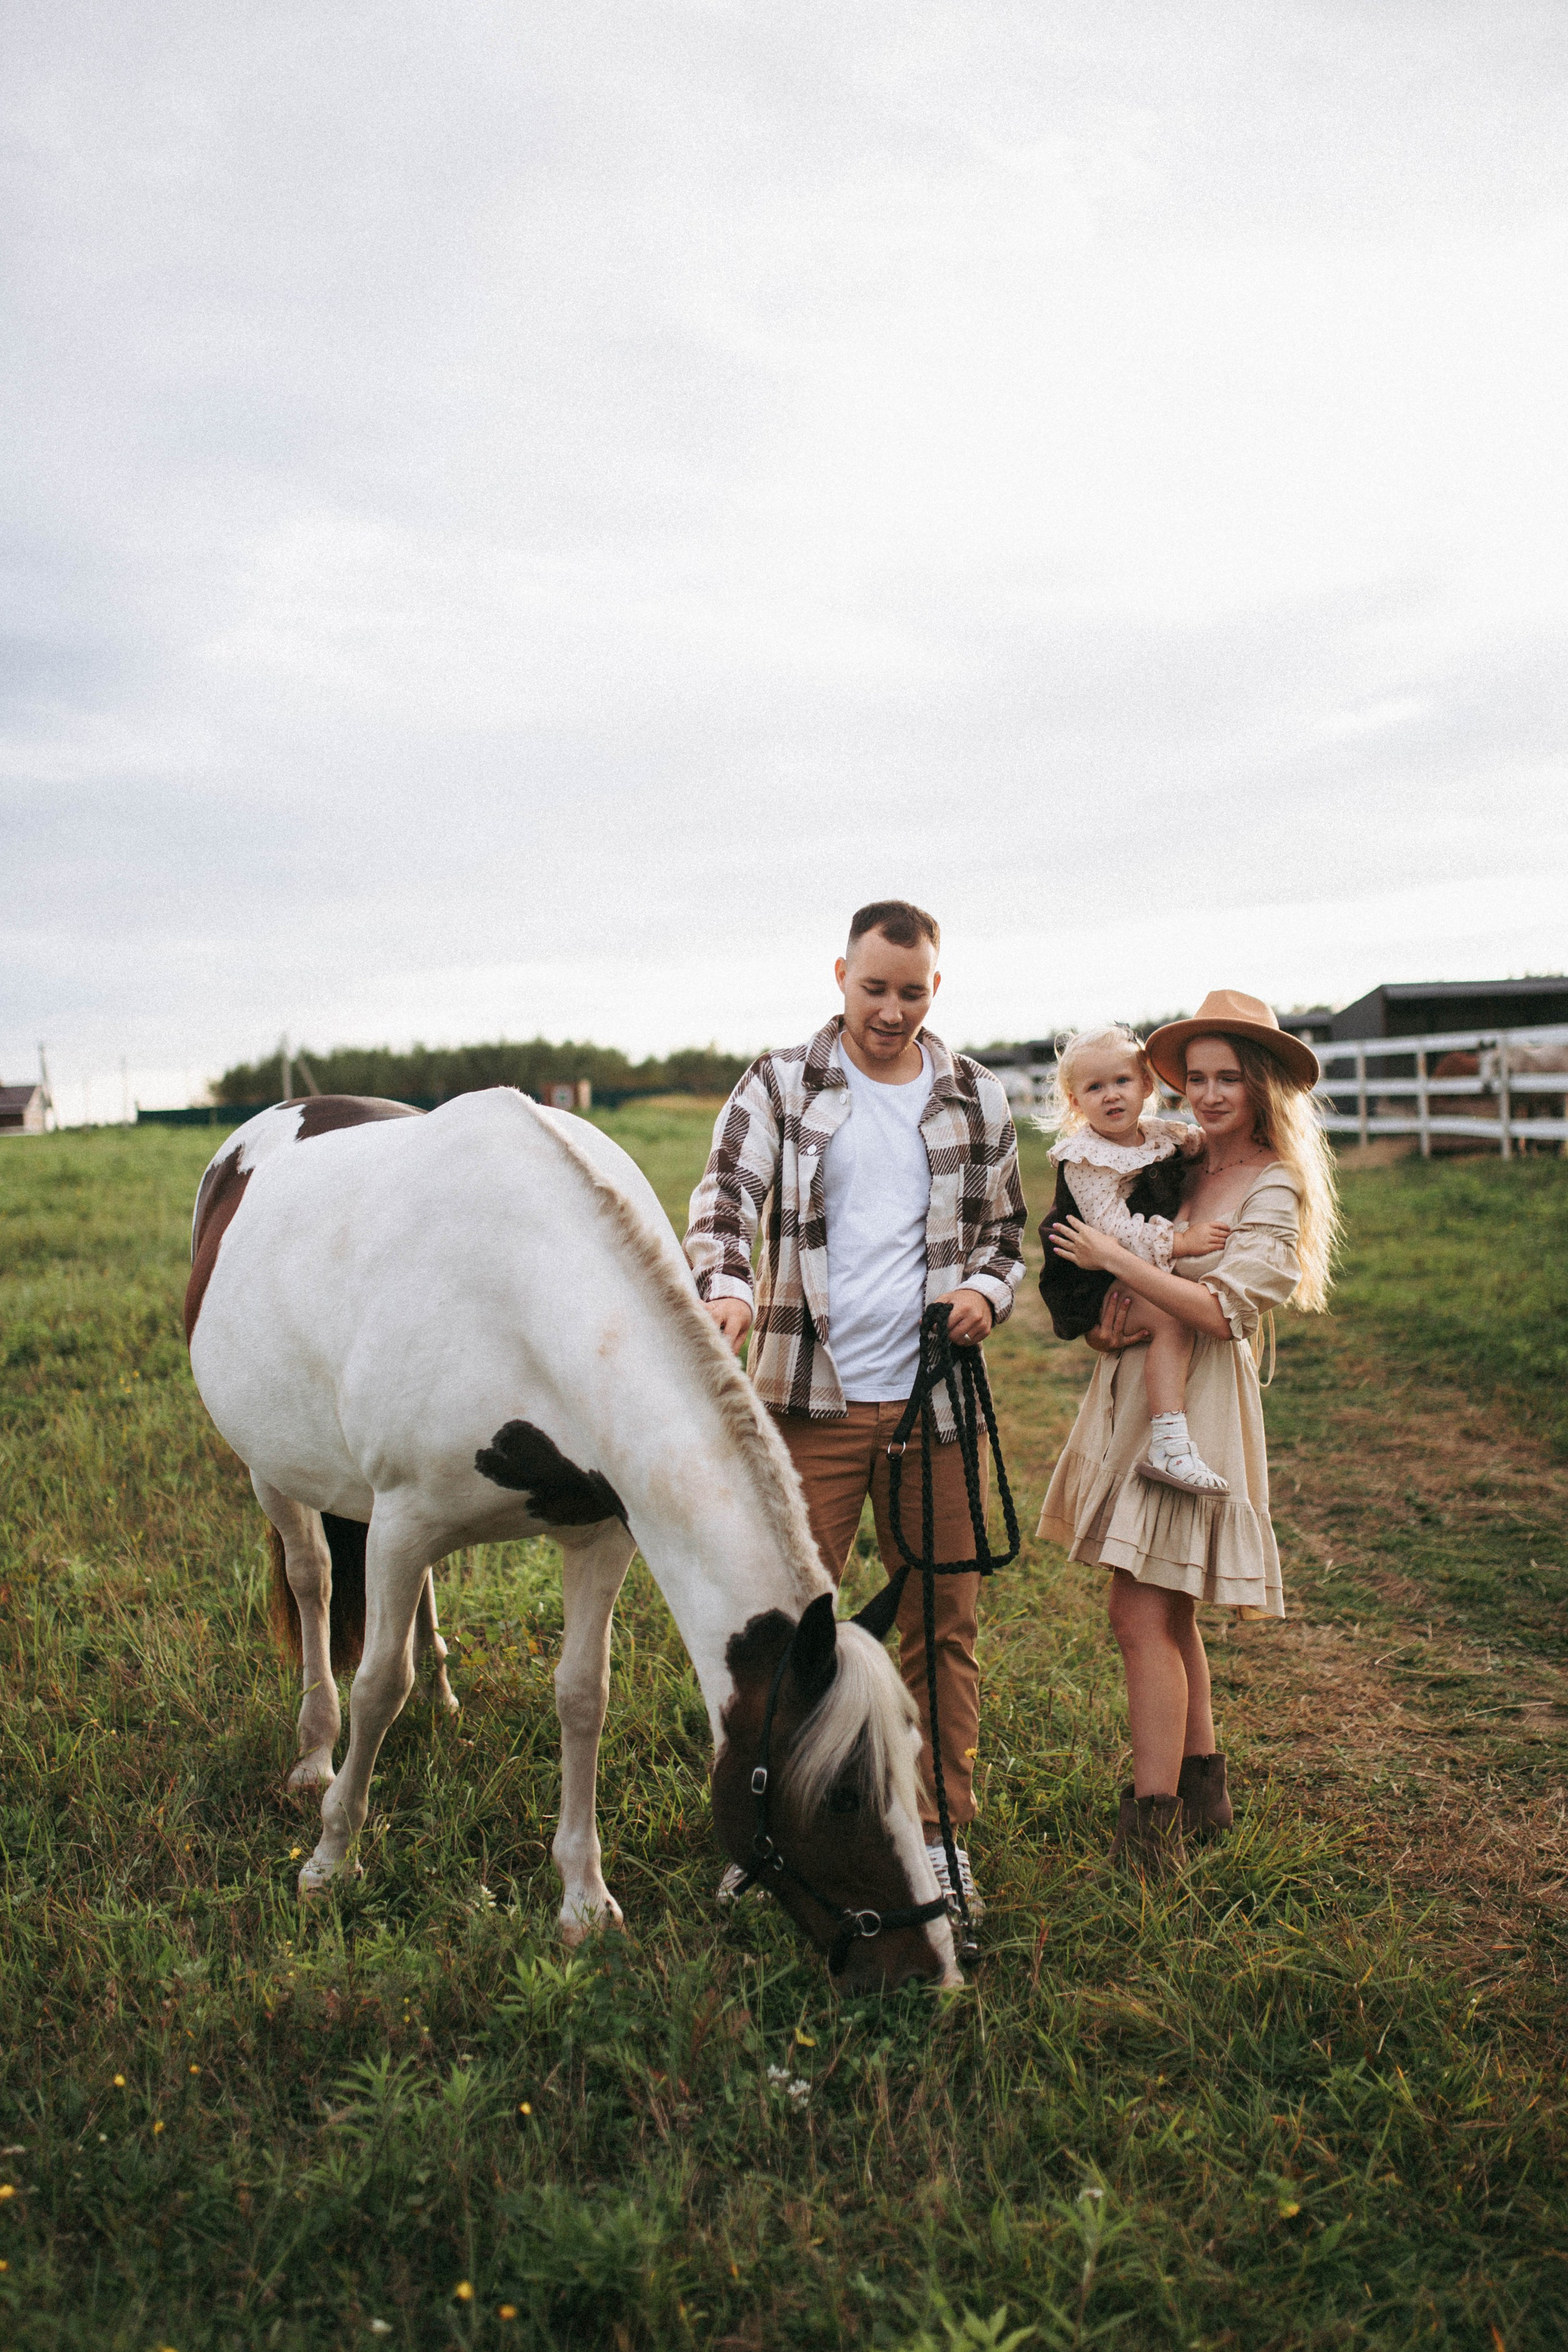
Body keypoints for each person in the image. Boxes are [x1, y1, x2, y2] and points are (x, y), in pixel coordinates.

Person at [685, 899, 1025, 1920]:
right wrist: (728, 1286)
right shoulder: (783, 1083)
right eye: (874, 988)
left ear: (937, 988)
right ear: (840, 975)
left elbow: (1006, 1235)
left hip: (936, 1409)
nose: (890, 1009)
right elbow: (722, 1198)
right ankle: (763, 1833)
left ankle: (937, 1831)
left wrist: (985, 1294)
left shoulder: (974, 1095)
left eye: (911, 992)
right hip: (811, 1401)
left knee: (941, 1624)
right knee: (789, 1637)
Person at [1039, 990, 1339, 1875]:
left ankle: (1153, 1825)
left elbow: (1219, 1309)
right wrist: (1101, 1320)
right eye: (1197, 1077)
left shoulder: (1274, 1183)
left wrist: (1120, 1263)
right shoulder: (1184, 1158)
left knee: (1140, 1615)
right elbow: (1105, 1263)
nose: (1208, 1096)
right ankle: (1203, 1789)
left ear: (1265, 1088)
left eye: (1229, 1080)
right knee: (1165, 1612)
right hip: (1137, 1389)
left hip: (1196, 1409)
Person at [1037, 1023, 1229, 1494]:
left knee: (1174, 1312)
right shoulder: (1085, 1158)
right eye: (1094, 1087)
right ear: (1075, 1101)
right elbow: (1111, 1233)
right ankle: (1170, 1443)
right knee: (1173, 1318)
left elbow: (1204, 1145)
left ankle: (1169, 1438)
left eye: (1122, 1081)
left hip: (1124, 1264)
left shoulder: (1160, 1134)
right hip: (1090, 1276)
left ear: (1147, 1085)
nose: (1111, 1096)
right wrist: (1179, 1244)